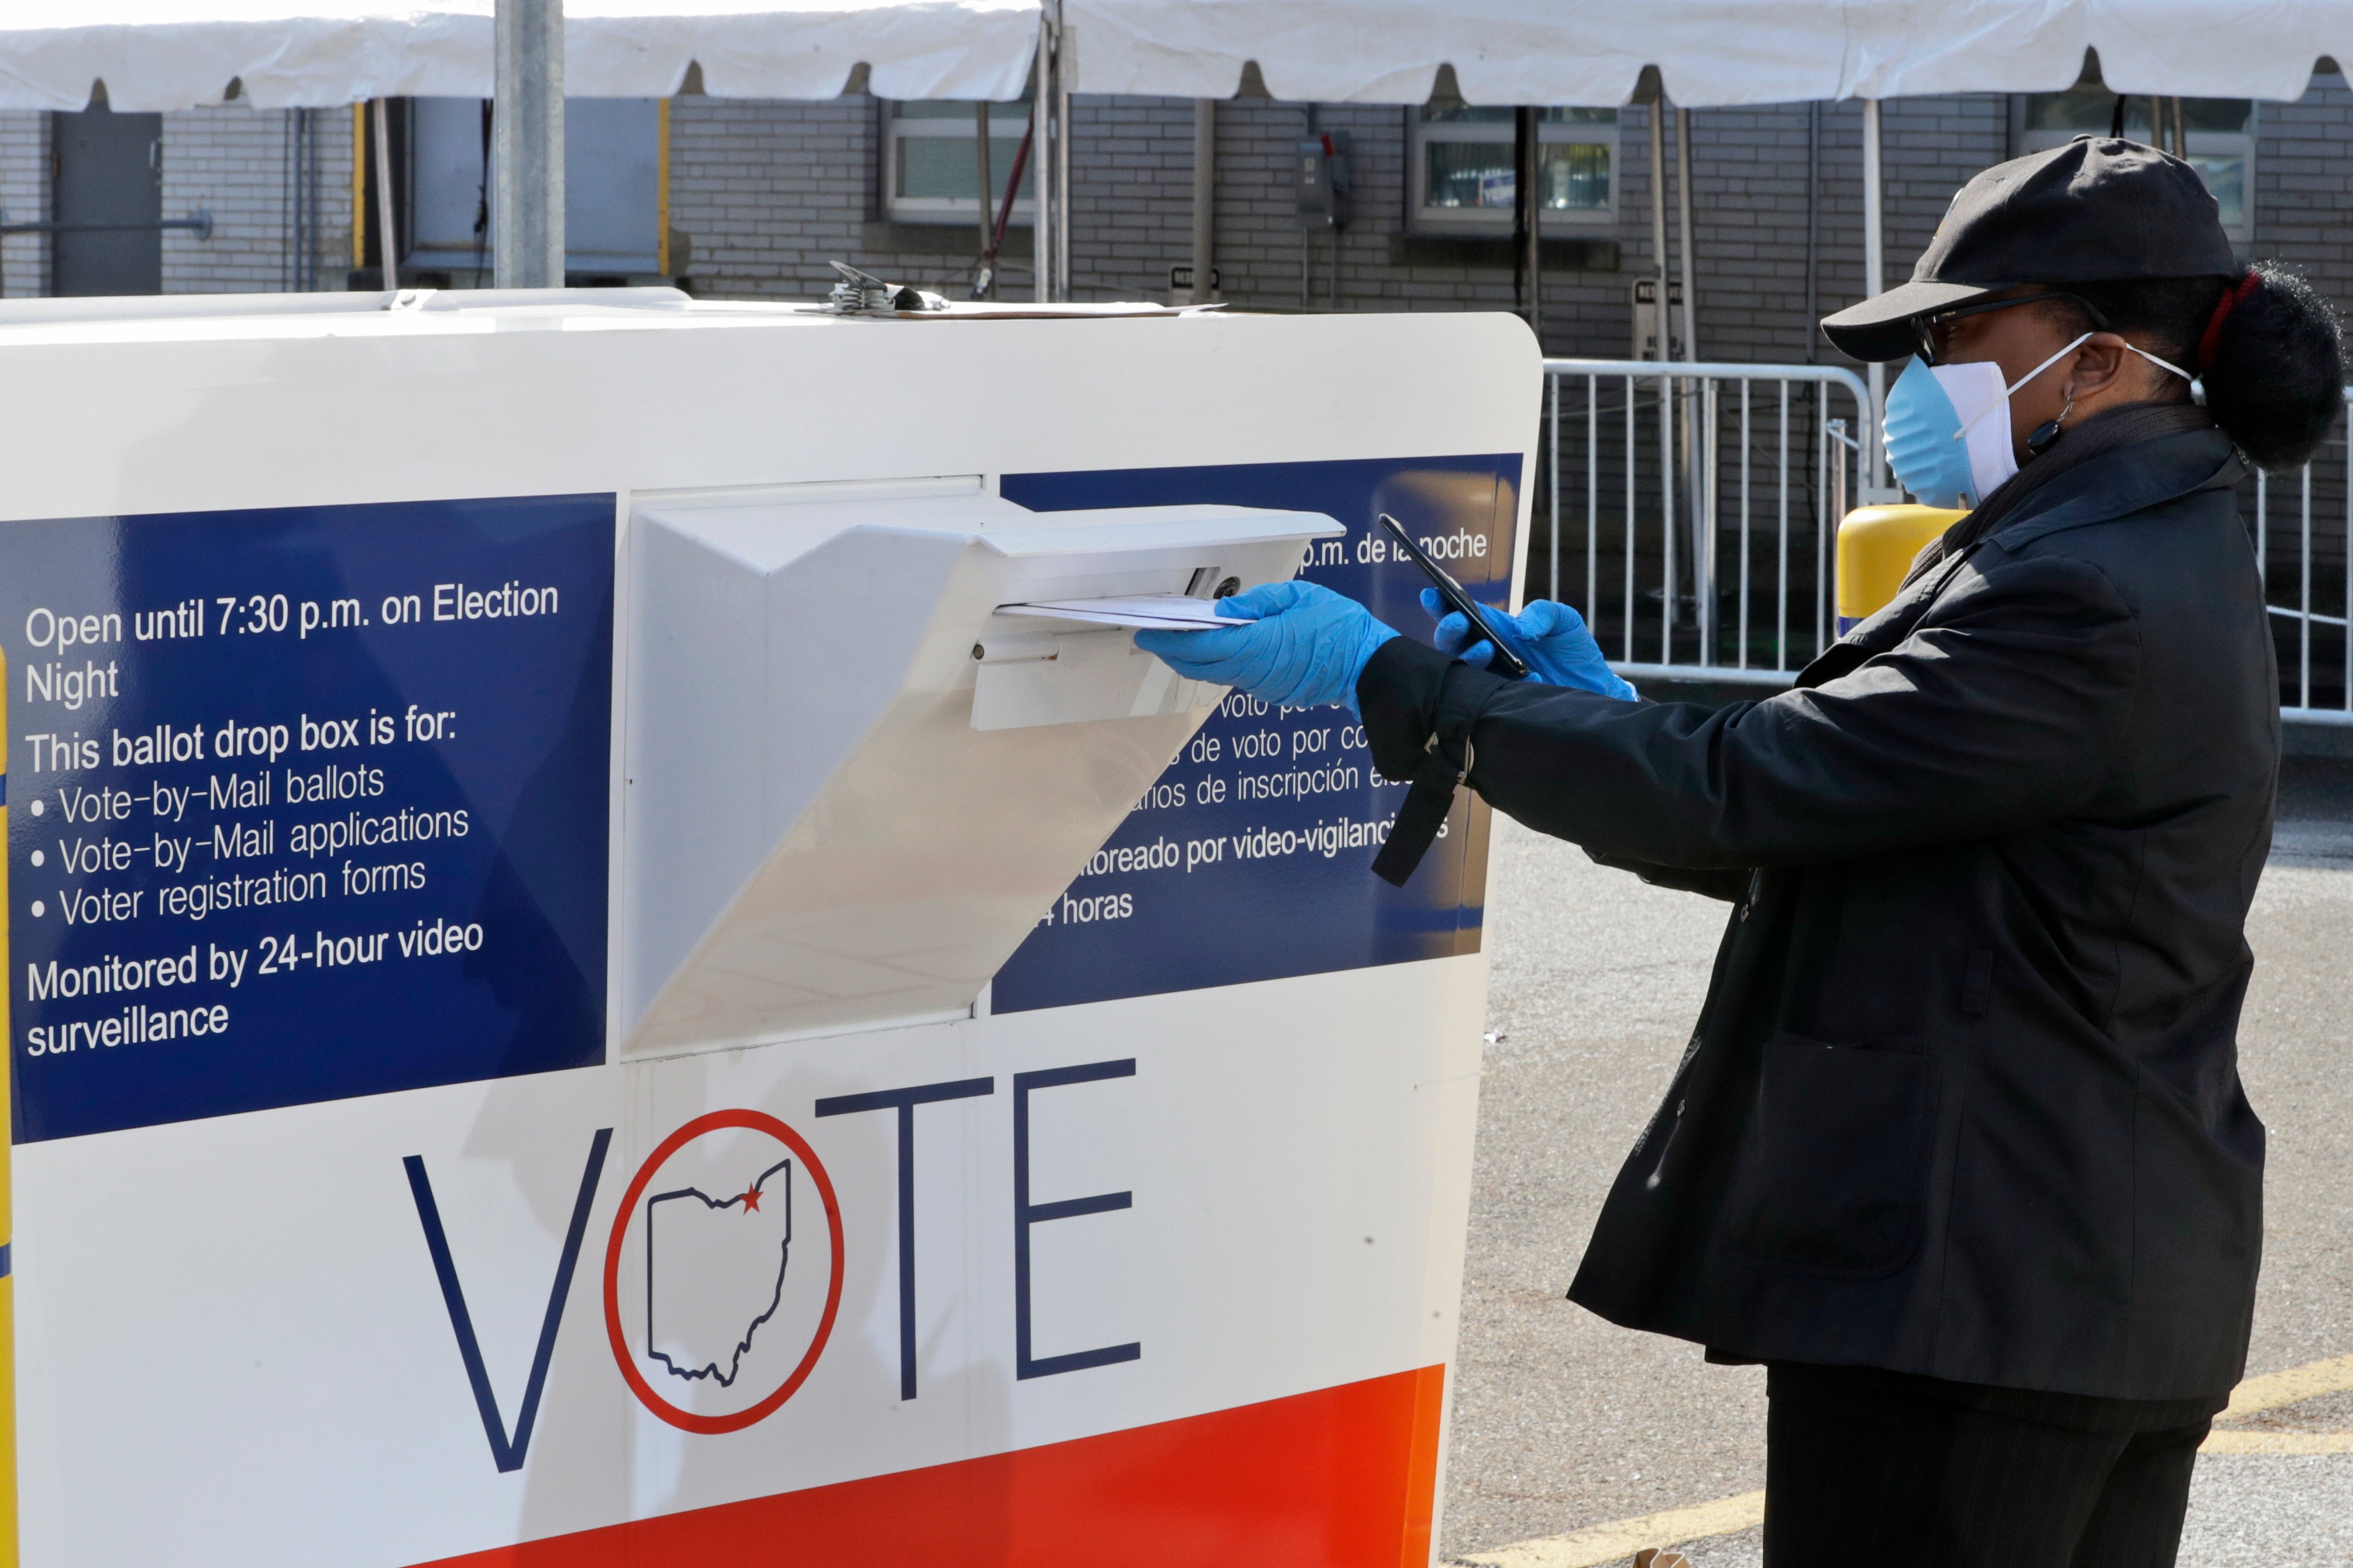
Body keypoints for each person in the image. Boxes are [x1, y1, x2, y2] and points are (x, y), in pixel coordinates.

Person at [1137, 137, 2344, 1566]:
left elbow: (1748, 792)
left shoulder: (2081, 590)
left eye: (1957, 332)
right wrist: (1590, 720)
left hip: (1984, 1297)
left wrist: (1400, 682)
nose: (1922, 375)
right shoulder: (2127, 538)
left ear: (2094, 361)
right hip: (2063, 1282)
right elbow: (1836, 812)